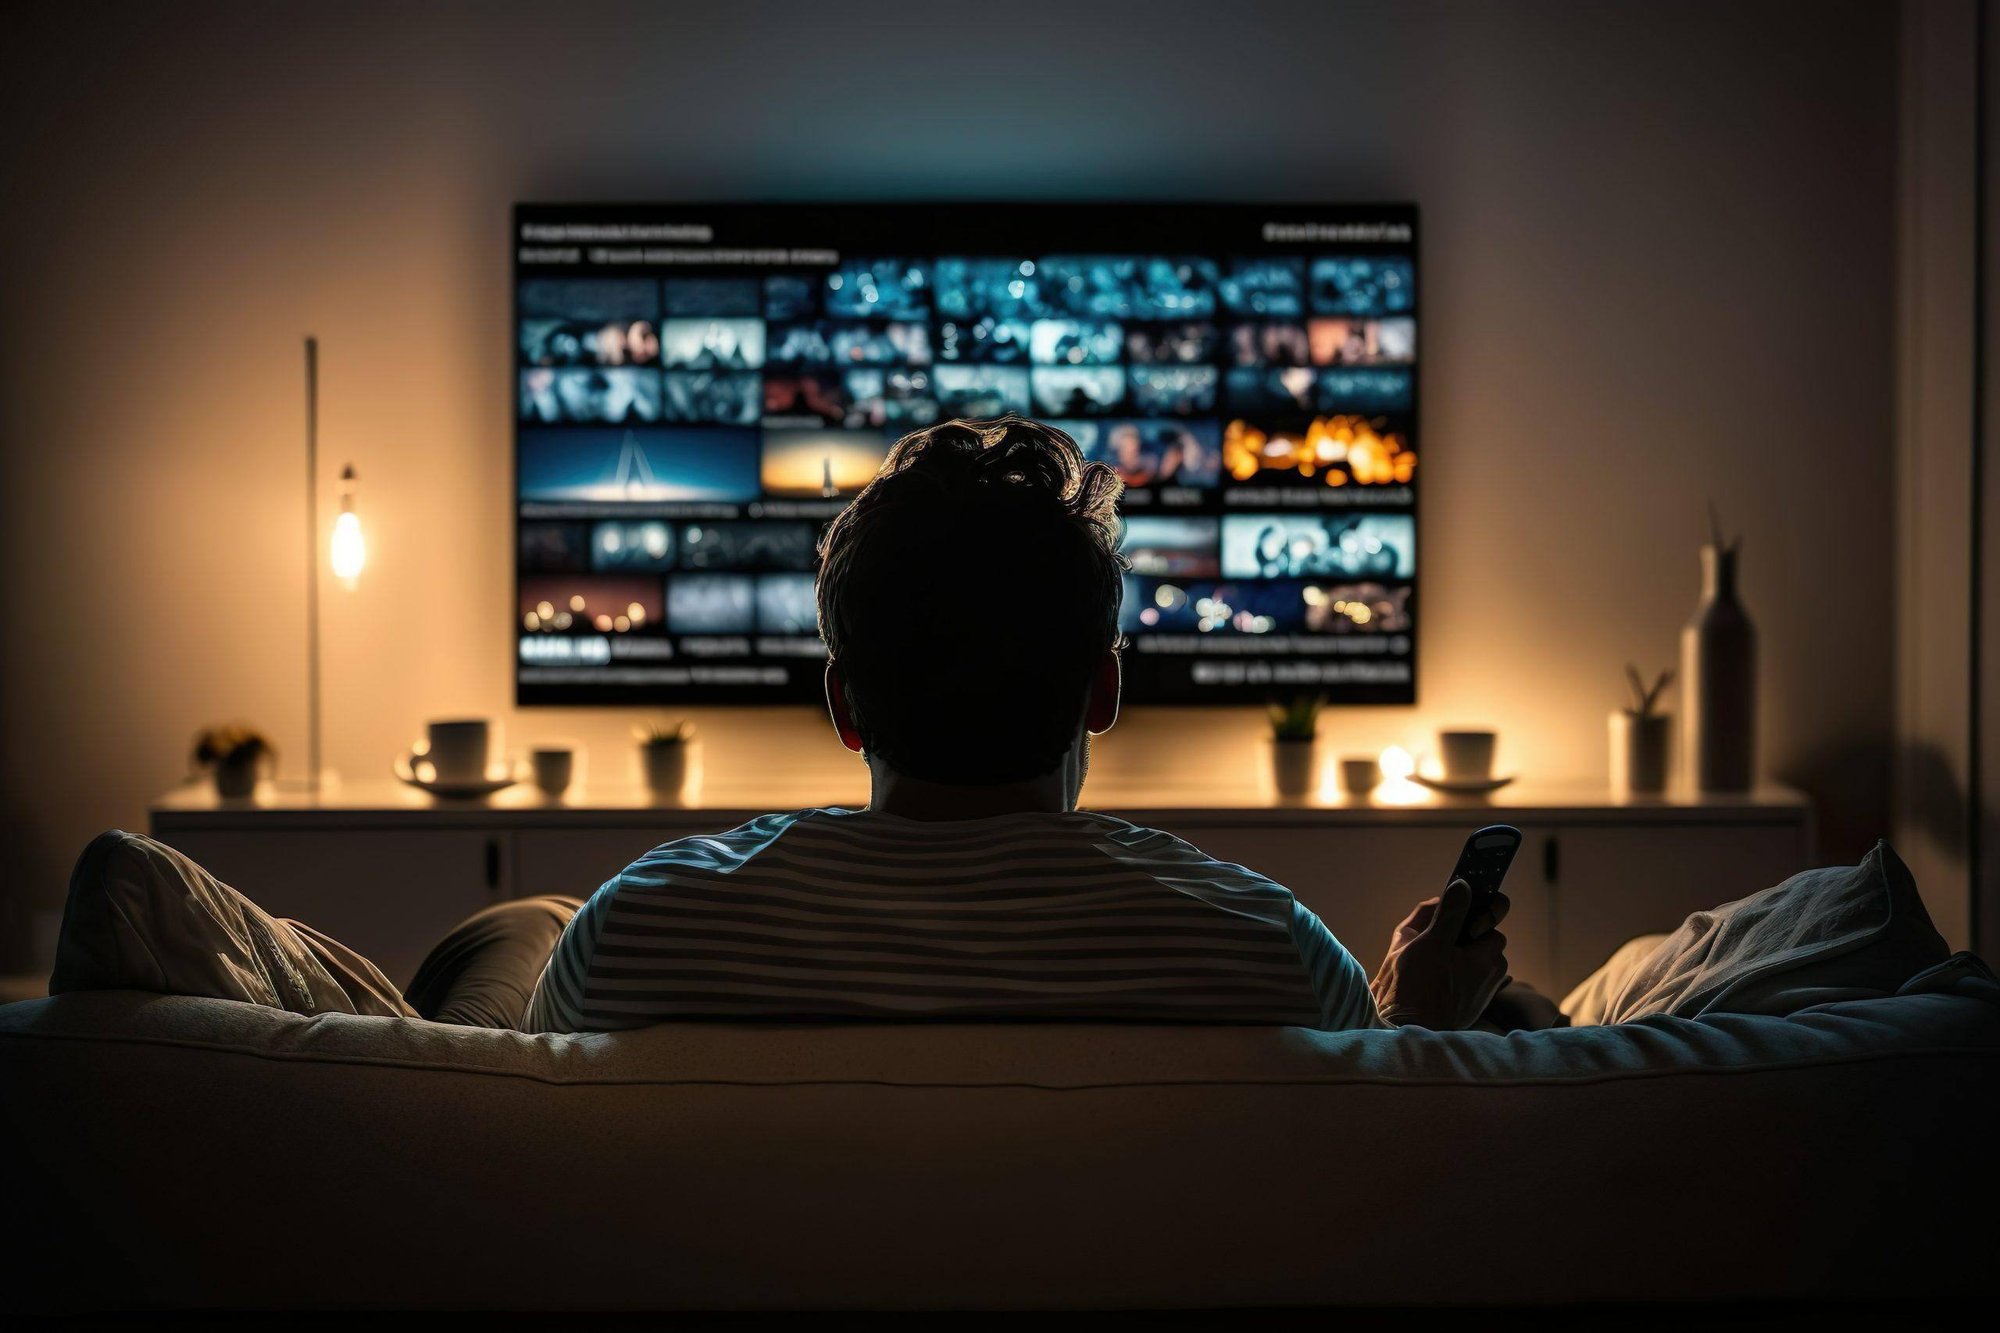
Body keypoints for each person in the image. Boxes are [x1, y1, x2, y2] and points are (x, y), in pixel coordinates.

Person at [506, 415, 1509, 1034]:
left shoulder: (633, 926)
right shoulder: (1270, 947)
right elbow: (1382, 1120)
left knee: (517, 929)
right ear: (1102, 692)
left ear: (843, 705)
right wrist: (1413, 1019)